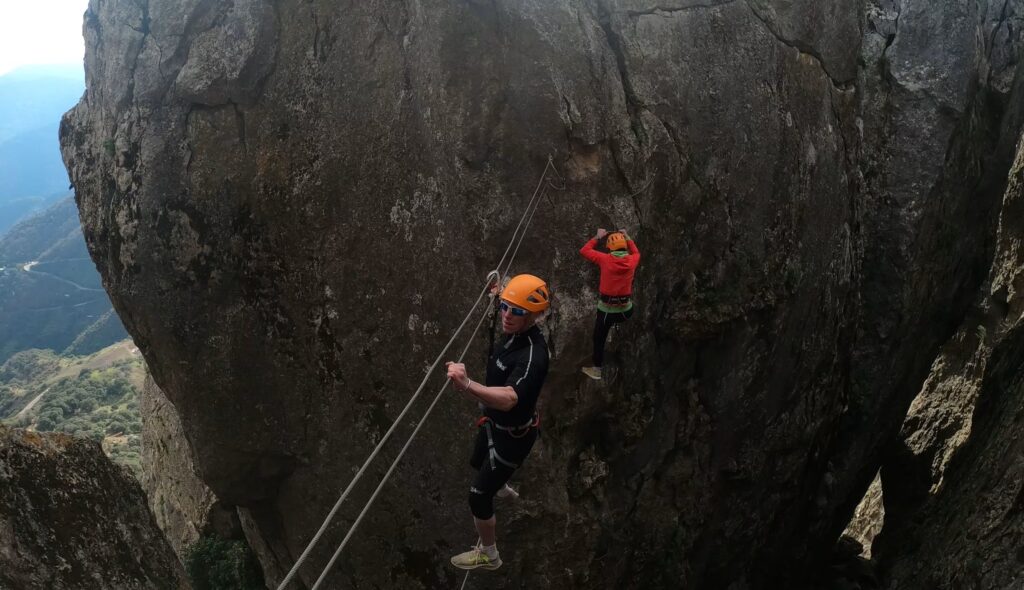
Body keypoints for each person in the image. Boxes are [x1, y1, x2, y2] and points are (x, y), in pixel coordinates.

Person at [445, 274, 551, 571]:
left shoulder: (533, 355)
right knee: (477, 460)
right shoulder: (515, 327)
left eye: (516, 311)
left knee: (478, 497)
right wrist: (499, 292)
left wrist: (466, 385)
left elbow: (508, 398)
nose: (507, 315)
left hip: (512, 437)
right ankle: (501, 483)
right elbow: (510, 303)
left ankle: (489, 556)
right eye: (505, 306)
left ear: (533, 315)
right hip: (495, 424)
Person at [579, 228, 640, 380]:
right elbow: (637, 252)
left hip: (608, 311)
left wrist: (597, 236)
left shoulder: (605, 259)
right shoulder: (633, 260)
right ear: (624, 245)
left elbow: (585, 250)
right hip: (627, 311)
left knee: (598, 339)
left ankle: (597, 370)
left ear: (610, 247)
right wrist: (627, 236)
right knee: (614, 319)